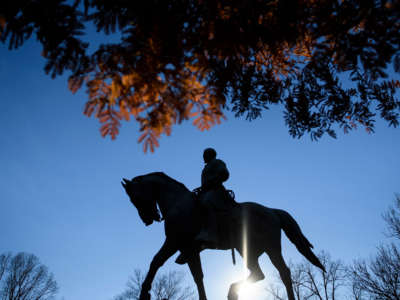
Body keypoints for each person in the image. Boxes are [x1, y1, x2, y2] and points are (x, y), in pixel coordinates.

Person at [195, 148, 230, 249]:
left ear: (211, 155)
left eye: (205, 155)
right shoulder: (206, 167)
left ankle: (212, 235)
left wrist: (214, 180)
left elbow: (225, 174)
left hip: (216, 191)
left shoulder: (217, 162)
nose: (204, 157)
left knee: (206, 203)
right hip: (205, 192)